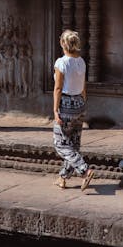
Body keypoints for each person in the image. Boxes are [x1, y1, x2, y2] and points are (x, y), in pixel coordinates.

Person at [53, 29, 94, 190]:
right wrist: (83, 101)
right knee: (73, 143)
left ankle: (85, 170)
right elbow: (83, 85)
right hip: (79, 102)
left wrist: (56, 110)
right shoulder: (81, 61)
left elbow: (58, 88)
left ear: (63, 44)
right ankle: (63, 177)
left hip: (66, 104)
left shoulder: (61, 63)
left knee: (61, 144)